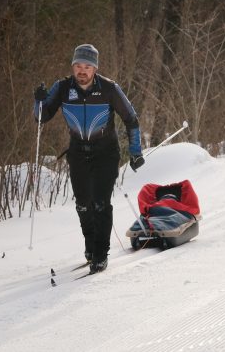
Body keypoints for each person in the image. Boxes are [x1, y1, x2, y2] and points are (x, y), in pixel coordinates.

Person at [33, 44, 144, 273]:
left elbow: (131, 118)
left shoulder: (109, 89)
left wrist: (135, 152)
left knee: (100, 203)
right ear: (73, 67)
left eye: (87, 66)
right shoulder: (63, 88)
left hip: (105, 153)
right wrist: (39, 101)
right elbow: (41, 117)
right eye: (78, 66)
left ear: (95, 69)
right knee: (83, 204)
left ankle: (101, 253)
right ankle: (90, 246)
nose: (82, 71)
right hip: (78, 153)